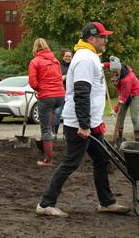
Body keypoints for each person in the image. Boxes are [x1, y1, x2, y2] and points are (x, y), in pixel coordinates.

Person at [36, 22, 130, 217]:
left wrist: (93, 123)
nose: (106, 40)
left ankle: (106, 202)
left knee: (102, 159)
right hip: (80, 124)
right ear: (92, 39)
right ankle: (46, 204)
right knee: (70, 163)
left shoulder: (89, 56)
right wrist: (85, 125)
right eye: (103, 37)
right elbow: (81, 93)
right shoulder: (86, 59)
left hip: (89, 123)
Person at [29, 38, 65, 166]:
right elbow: (59, 78)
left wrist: (41, 88)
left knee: (45, 130)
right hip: (60, 96)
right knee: (50, 126)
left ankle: (48, 160)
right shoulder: (55, 60)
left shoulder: (35, 62)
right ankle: (48, 143)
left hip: (46, 97)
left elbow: (33, 83)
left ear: (35, 48)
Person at [103, 56, 139, 141]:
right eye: (113, 71)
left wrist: (115, 109)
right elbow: (110, 64)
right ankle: (119, 138)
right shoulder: (116, 66)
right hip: (125, 93)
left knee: (134, 117)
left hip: (135, 94)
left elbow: (123, 97)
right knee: (120, 116)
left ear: (120, 69)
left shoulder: (127, 79)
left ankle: (138, 139)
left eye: (116, 72)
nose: (114, 73)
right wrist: (102, 65)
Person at [52, 49, 72, 139]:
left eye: (69, 56)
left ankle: (66, 134)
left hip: (71, 95)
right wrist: (61, 78)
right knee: (57, 114)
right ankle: (54, 133)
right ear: (62, 57)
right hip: (60, 94)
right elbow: (54, 79)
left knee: (68, 116)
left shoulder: (74, 66)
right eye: (66, 56)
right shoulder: (58, 66)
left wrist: (67, 77)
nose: (68, 58)